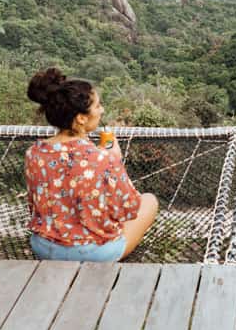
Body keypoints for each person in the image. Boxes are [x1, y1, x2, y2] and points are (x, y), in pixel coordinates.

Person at [24, 67, 158, 262]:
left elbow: (37, 205)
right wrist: (115, 161)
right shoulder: (103, 158)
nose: (101, 110)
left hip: (44, 248)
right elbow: (129, 209)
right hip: (94, 254)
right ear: (81, 118)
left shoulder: (33, 153)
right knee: (150, 201)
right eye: (97, 106)